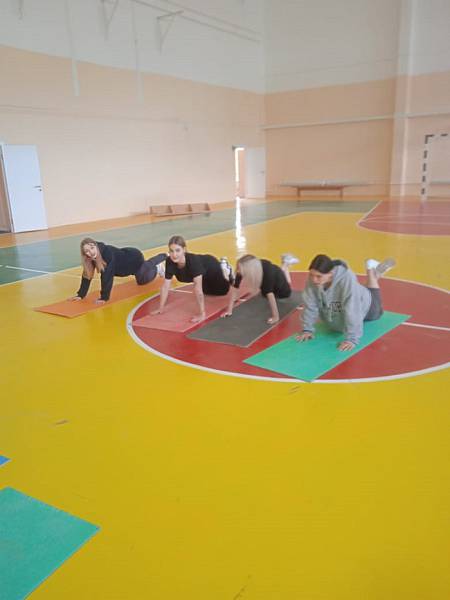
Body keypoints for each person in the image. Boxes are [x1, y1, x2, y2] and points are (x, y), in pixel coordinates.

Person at [297, 254, 396, 351]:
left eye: (319, 276)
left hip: (366, 305)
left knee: (376, 312)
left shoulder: (346, 279)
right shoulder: (314, 280)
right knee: (354, 290)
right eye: (311, 275)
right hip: (351, 293)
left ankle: (371, 271)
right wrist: (307, 329)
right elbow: (310, 304)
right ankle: (374, 275)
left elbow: (352, 309)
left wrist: (352, 339)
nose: (314, 279)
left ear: (331, 274)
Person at [151, 235, 234, 323]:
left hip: (212, 268)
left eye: (178, 250)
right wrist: (160, 308)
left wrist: (202, 314)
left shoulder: (193, 261)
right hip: (203, 275)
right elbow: (165, 286)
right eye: (171, 251)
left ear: (184, 250)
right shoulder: (170, 261)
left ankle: (225, 268)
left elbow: (198, 289)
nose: (174, 255)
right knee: (205, 292)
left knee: (222, 291)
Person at [71, 238, 166, 304]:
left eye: (92, 248)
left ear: (96, 246)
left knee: (143, 279)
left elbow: (107, 276)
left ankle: (158, 266)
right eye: (87, 251)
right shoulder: (91, 258)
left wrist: (104, 297)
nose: (91, 252)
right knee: (140, 281)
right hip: (124, 265)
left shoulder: (107, 253)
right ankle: (148, 266)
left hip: (133, 258)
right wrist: (81, 295)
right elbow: (87, 275)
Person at [222, 253, 299, 324]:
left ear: (249, 269)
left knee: (285, 292)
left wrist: (275, 317)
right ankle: (285, 264)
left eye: (240, 269)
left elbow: (270, 294)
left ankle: (285, 264)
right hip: (271, 274)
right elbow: (235, 288)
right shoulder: (242, 269)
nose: (238, 271)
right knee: (264, 293)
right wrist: (229, 310)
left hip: (277, 278)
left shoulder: (267, 273)